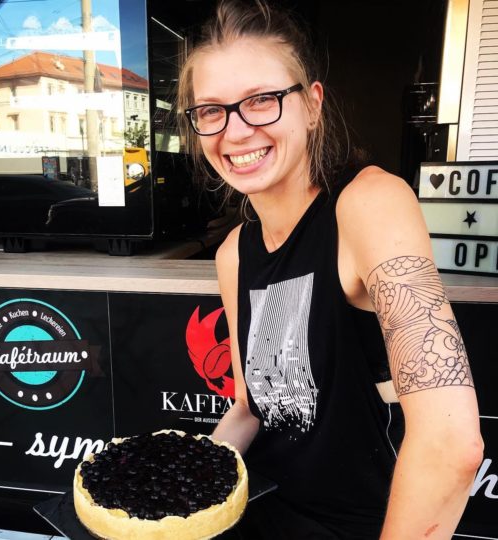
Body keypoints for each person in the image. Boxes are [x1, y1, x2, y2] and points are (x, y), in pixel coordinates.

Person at [177, 1, 484, 538]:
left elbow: (451, 443)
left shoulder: (369, 204)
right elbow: (250, 407)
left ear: (312, 105)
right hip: (257, 514)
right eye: (211, 110)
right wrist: (183, 496)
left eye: (262, 100)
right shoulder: (234, 253)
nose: (236, 130)